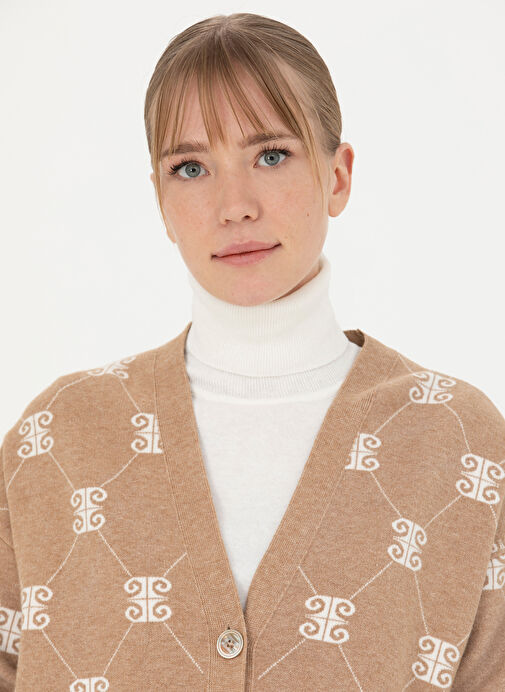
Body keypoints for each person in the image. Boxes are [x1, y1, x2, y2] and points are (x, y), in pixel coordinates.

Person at [1, 12, 504, 691]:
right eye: (190, 168)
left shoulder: (457, 443)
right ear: (159, 200)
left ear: (337, 177)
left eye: (270, 155)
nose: (233, 206)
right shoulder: (56, 443)